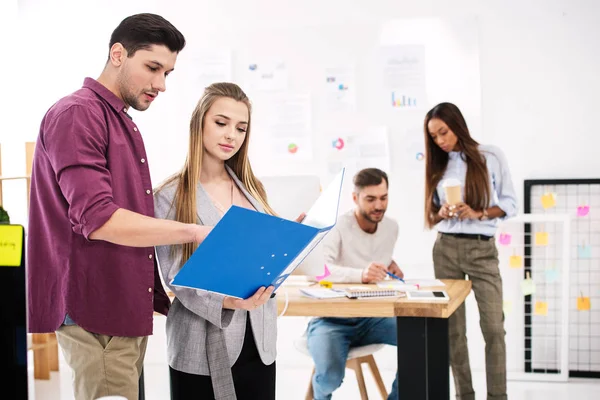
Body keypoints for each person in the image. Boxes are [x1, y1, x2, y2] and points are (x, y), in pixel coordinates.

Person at [27, 14, 209, 400]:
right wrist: (194, 231)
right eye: (152, 68)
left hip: (119, 303)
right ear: (117, 54)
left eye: (168, 73)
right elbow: (99, 218)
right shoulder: (79, 114)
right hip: (97, 306)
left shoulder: (116, 119)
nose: (160, 84)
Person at [154, 82, 299, 400]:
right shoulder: (170, 196)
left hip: (259, 339)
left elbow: (261, 258)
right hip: (199, 344)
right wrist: (229, 301)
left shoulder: (253, 188)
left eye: (241, 128)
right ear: (200, 123)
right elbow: (176, 277)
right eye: (221, 123)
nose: (231, 135)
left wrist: (291, 244)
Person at [424, 102, 517, 400]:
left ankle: (497, 396)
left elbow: (510, 203)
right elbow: (430, 215)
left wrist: (477, 213)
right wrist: (446, 212)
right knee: (453, 331)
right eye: (434, 137)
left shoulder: (490, 156)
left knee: (493, 328)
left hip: (482, 250)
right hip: (446, 248)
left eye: (444, 132)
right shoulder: (437, 163)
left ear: (458, 125)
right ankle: (465, 395)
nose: (440, 141)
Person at [305, 168, 400, 400]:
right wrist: (361, 274)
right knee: (329, 378)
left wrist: (391, 265)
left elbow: (372, 254)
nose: (379, 205)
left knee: (419, 341)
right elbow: (319, 271)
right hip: (330, 320)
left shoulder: (391, 227)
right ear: (355, 198)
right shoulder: (337, 226)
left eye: (383, 198)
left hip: (372, 318)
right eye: (371, 199)